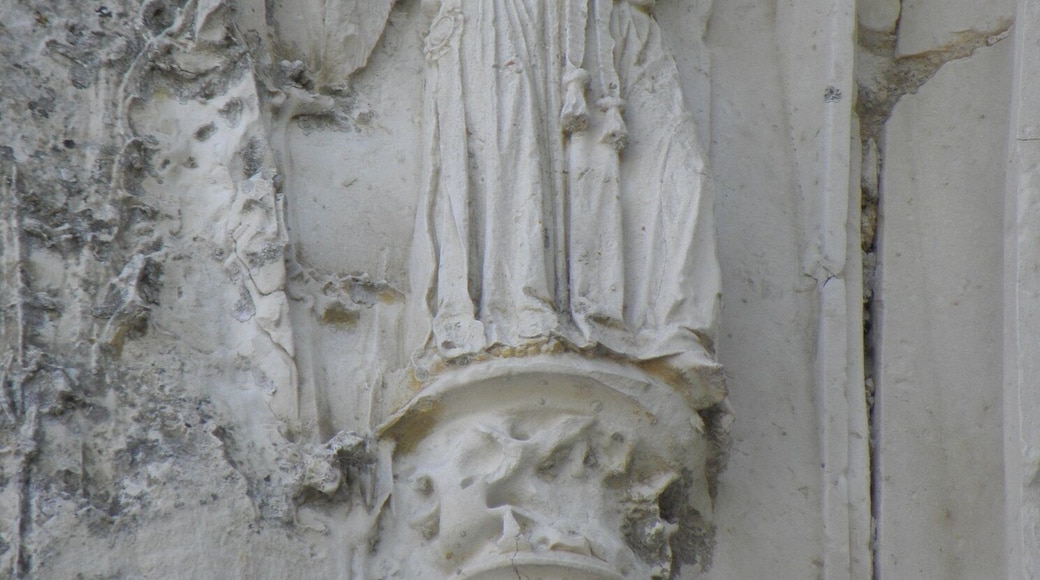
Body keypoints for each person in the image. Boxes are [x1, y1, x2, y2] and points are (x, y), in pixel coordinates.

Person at [409, 0, 724, 406]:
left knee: (684, 171)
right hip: (506, 22)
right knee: (519, 173)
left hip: (612, 31)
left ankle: (667, 332)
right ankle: (519, 328)